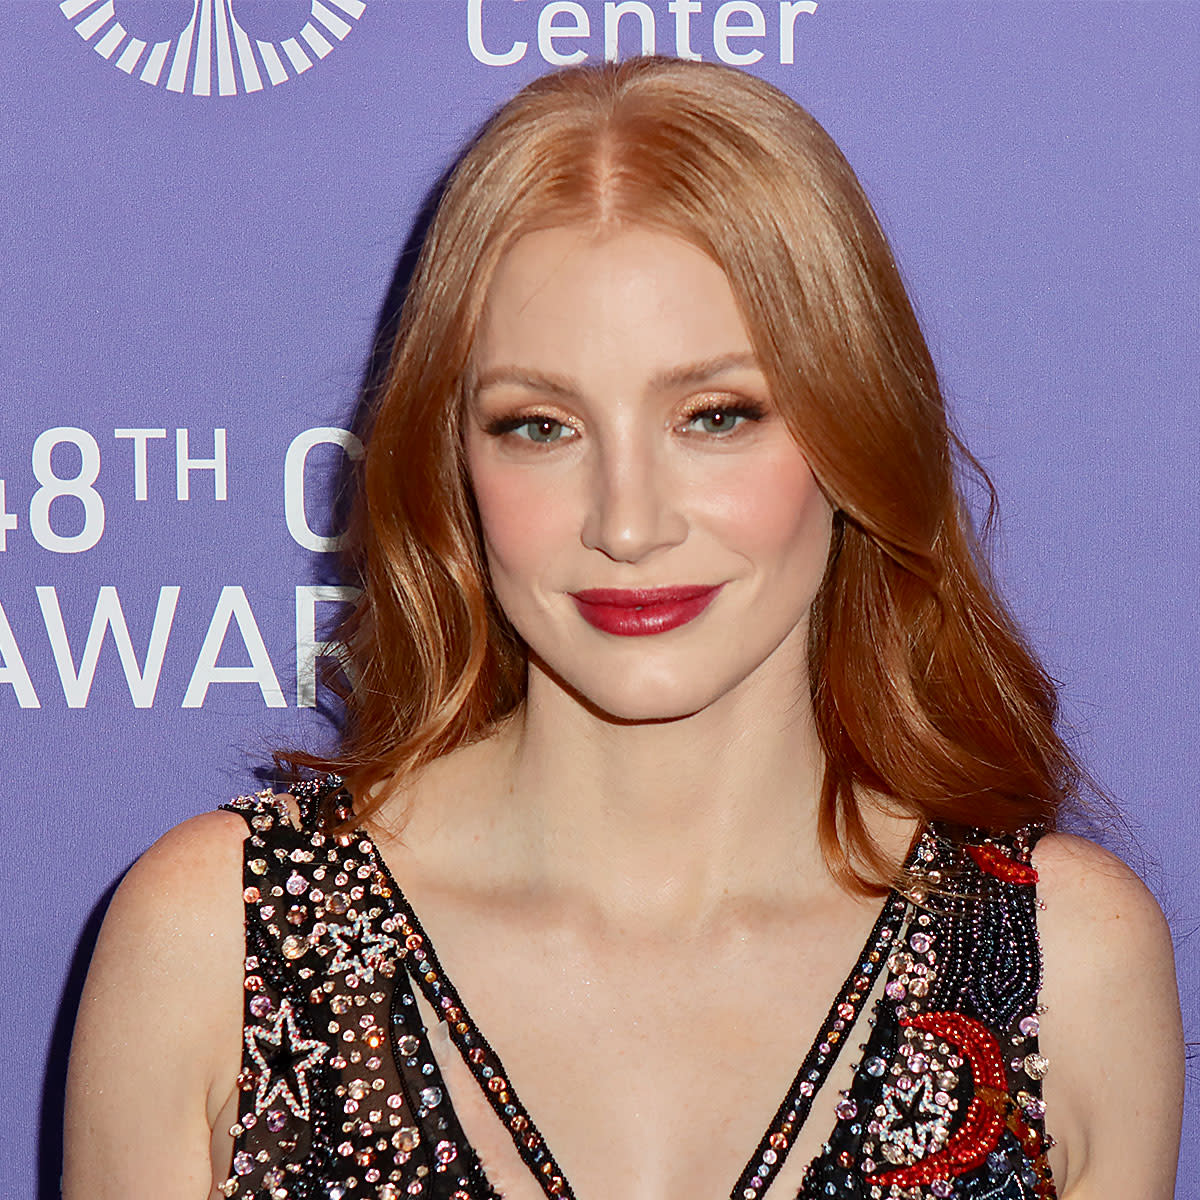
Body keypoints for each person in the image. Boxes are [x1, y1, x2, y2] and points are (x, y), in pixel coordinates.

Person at [63, 57, 1183, 1200]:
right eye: (540, 426)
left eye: (716, 415)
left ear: (854, 433)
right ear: (452, 458)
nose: (628, 524)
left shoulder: (1059, 964)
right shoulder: (220, 943)